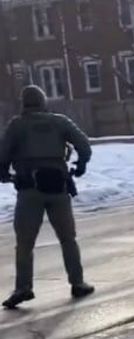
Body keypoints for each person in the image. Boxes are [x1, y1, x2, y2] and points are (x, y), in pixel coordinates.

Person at [0, 85, 95, 309]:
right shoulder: (60, 121)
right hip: (58, 187)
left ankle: (23, 287)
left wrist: (4, 171)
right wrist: (80, 164)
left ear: (24, 103)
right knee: (67, 238)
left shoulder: (17, 125)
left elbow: (2, 153)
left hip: (29, 189)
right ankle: (78, 282)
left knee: (24, 242)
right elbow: (84, 145)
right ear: (44, 101)